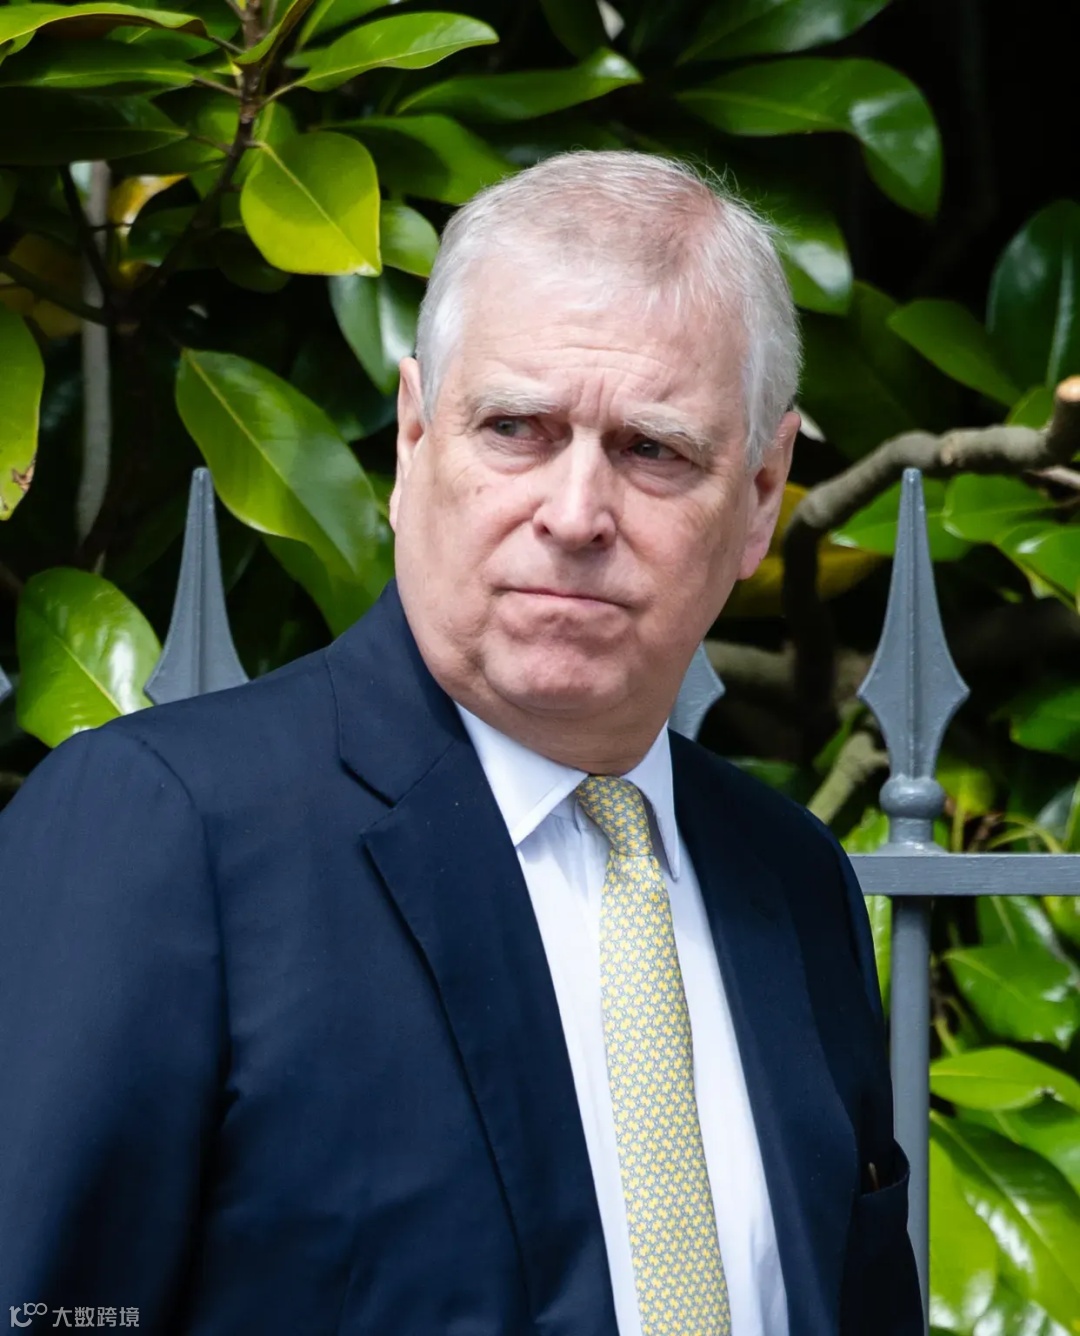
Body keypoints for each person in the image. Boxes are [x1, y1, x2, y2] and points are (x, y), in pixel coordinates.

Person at [0, 151, 920, 1335]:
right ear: (414, 437)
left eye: (653, 449)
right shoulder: (164, 834)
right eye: (516, 428)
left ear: (760, 494)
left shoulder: (794, 884)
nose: (576, 514)